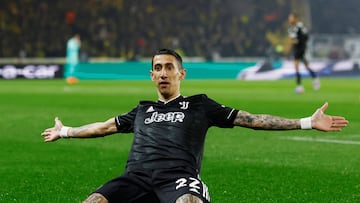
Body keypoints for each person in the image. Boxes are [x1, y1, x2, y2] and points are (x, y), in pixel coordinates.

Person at [41, 49, 348, 203]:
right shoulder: (142, 110)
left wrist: (306, 121)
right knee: (94, 201)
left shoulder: (200, 105)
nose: (163, 73)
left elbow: (251, 120)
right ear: (151, 75)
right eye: (157, 68)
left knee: (189, 202)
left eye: (169, 68)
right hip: (135, 178)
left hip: (178, 179)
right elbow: (103, 127)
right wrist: (65, 131)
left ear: (181, 74)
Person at [288, 12, 320, 93]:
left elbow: (305, 36)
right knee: (304, 66)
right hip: (296, 49)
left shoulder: (300, 26)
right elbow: (292, 39)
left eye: (291, 17)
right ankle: (314, 79)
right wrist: (294, 41)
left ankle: (300, 86)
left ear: (295, 18)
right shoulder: (291, 28)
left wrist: (299, 41)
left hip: (301, 49)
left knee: (298, 67)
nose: (290, 19)